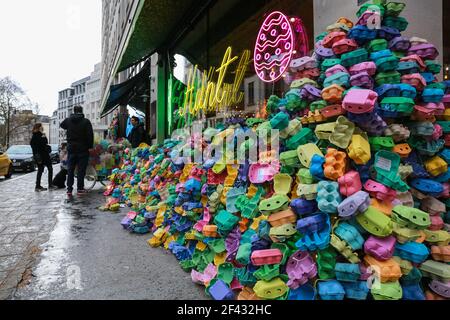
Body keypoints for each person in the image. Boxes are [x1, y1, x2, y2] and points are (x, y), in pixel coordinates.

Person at [60, 106, 94, 197]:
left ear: (74, 111)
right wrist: (90, 146)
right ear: (81, 111)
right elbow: (90, 135)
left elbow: (62, 125)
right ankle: (80, 189)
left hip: (71, 148)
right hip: (83, 149)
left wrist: (70, 118)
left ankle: (69, 190)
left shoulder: (68, 120)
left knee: (70, 170)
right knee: (81, 170)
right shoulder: (86, 121)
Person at [30, 123, 55, 191]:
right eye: (41, 126)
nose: (43, 127)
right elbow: (42, 144)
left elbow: (45, 143)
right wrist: (37, 156)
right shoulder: (36, 136)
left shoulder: (38, 135)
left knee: (43, 170)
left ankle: (39, 186)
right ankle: (43, 185)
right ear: (39, 127)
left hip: (43, 155)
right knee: (47, 169)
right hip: (42, 156)